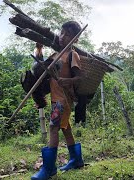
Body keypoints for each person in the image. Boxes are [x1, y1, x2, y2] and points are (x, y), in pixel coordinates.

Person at [31, 21, 84, 180]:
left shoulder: (72, 55)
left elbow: (80, 77)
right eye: (62, 33)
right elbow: (39, 66)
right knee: (65, 128)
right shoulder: (55, 55)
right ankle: (76, 160)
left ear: (75, 39)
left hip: (64, 100)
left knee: (53, 128)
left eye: (68, 35)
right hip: (56, 99)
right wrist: (39, 48)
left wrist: (67, 81)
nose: (62, 37)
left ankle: (48, 169)